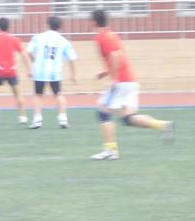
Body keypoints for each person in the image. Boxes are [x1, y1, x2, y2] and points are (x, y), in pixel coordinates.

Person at [90, 9, 173, 160]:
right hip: (130, 81)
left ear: (94, 22)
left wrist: (114, 78)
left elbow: (115, 56)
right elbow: (119, 57)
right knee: (128, 118)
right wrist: (106, 72)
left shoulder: (102, 37)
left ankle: (111, 150)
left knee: (103, 112)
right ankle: (162, 125)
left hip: (121, 82)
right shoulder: (112, 35)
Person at [26, 16, 77, 129]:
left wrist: (34, 62)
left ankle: (37, 120)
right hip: (55, 72)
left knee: (38, 95)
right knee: (58, 94)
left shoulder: (38, 37)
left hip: (39, 71)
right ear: (60, 27)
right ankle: (63, 119)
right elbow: (72, 58)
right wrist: (73, 75)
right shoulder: (63, 41)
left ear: (48, 25)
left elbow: (28, 52)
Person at [0, 17, 31, 125]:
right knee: (17, 94)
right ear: (9, 27)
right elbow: (24, 55)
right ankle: (23, 116)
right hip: (12, 71)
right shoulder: (15, 40)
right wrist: (29, 69)